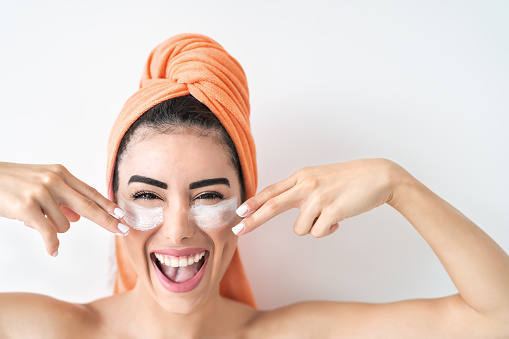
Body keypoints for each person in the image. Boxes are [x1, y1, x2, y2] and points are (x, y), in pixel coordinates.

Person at [0, 33, 508, 338]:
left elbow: (497, 318)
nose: (178, 230)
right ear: (109, 204)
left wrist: (399, 185)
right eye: (148, 195)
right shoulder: (47, 330)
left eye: (209, 195)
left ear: (248, 203)